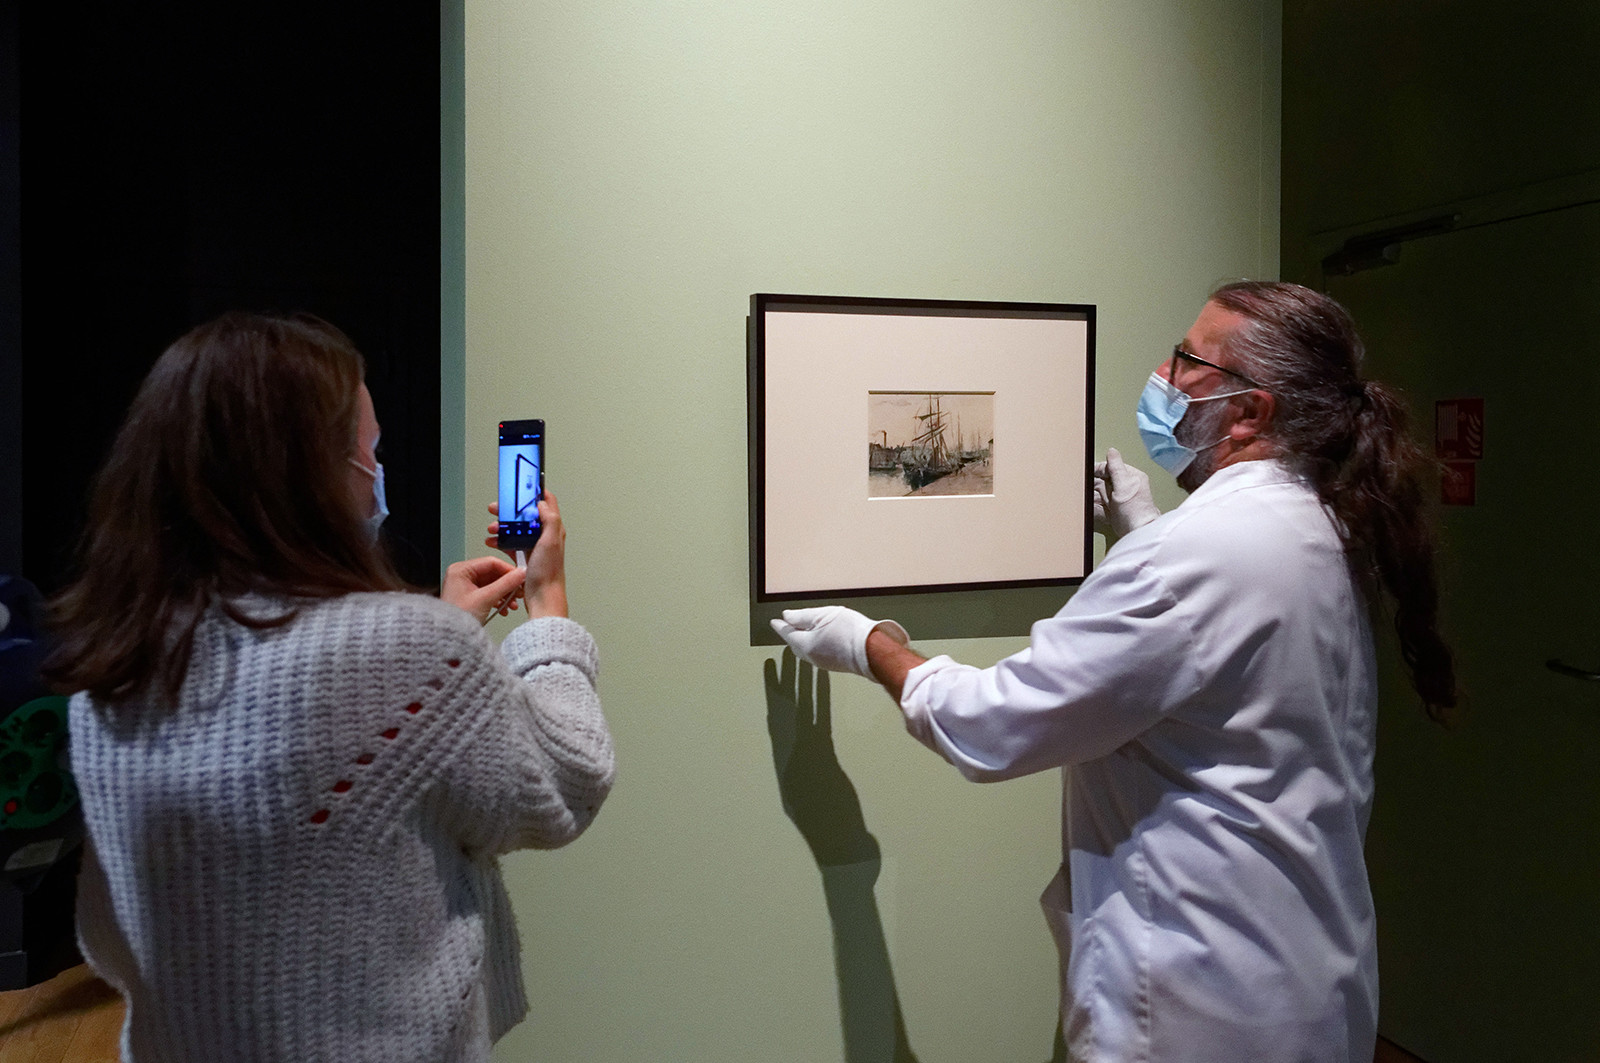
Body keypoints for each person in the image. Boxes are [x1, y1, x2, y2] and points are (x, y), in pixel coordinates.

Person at [772, 281, 1456, 1063]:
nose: (1164, 375)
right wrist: (1143, 535)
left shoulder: (1196, 554)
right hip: (1305, 978)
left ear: (1249, 411)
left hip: (1198, 1002)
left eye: (1189, 360)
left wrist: (871, 644)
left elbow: (990, 724)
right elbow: (1218, 669)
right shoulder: (1316, 522)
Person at [44, 312, 615, 1062]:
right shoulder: (410, 651)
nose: (377, 473)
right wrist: (548, 607)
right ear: (313, 473)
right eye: (369, 451)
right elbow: (568, 779)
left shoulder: (113, 673)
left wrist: (440, 639)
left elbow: (121, 934)